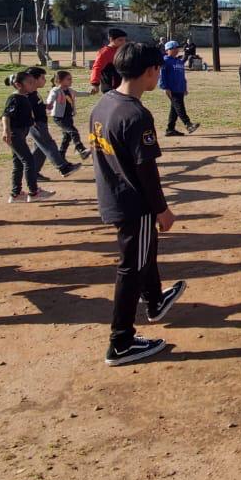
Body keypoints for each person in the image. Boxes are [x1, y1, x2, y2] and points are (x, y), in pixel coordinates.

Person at [89, 42, 187, 367]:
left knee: (145, 252)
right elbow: (147, 169)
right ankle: (120, 342)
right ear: (150, 71)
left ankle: (155, 300)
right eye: (158, 70)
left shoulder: (104, 103)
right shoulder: (136, 114)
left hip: (113, 196)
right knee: (131, 267)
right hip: (135, 203)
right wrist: (161, 208)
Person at [2, 71, 54, 203]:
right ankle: (34, 192)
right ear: (18, 85)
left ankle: (16, 194)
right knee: (28, 160)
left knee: (18, 163)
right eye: (29, 83)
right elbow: (6, 115)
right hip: (15, 134)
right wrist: (6, 131)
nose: (33, 85)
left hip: (21, 134)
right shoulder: (14, 98)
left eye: (33, 82)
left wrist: (32, 121)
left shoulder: (24, 97)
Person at [48, 70, 94, 158]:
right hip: (59, 117)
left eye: (71, 79)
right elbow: (52, 97)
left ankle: (60, 155)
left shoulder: (69, 90)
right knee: (73, 132)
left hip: (68, 116)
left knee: (67, 136)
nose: (71, 81)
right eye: (68, 79)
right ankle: (81, 149)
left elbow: (78, 93)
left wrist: (89, 93)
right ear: (59, 81)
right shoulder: (56, 90)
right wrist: (50, 103)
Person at [159, 41, 199, 136]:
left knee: (175, 109)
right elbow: (162, 75)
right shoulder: (165, 61)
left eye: (177, 48)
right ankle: (188, 124)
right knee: (179, 107)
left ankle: (170, 129)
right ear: (167, 50)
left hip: (180, 88)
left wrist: (184, 87)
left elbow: (182, 76)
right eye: (173, 48)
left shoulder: (179, 61)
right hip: (172, 89)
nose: (176, 50)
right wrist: (165, 87)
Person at [89, 28, 128, 94]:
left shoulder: (123, 50)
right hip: (110, 88)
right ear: (111, 39)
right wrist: (95, 84)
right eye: (120, 40)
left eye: (125, 40)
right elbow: (97, 68)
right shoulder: (104, 53)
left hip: (123, 87)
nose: (123, 42)